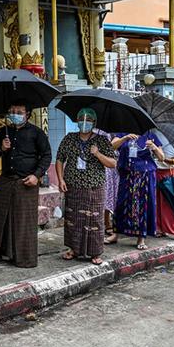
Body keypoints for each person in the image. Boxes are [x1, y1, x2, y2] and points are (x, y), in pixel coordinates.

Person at [0, 101, 52, 268]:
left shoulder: (37, 133)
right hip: (6, 180)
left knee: (24, 221)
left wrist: (36, 176)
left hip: (26, 182)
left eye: (19, 111)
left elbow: (46, 156)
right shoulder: (4, 131)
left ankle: (24, 257)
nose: (15, 114)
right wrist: (2, 147)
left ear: (27, 114)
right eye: (12, 110)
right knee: (1, 217)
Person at [55, 108, 117, 265]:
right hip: (73, 185)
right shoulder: (70, 139)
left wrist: (97, 154)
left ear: (94, 123)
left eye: (88, 120)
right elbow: (60, 159)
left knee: (94, 220)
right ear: (76, 121)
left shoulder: (102, 141)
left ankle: (95, 252)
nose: (84, 122)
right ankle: (73, 249)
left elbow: (112, 163)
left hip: (94, 187)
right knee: (73, 218)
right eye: (81, 118)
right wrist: (61, 179)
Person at [105, 131, 164, 250]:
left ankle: (141, 237)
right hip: (127, 174)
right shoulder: (123, 133)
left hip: (145, 175)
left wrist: (154, 147)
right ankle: (115, 234)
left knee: (143, 206)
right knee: (121, 204)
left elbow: (162, 158)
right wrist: (125, 138)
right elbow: (111, 146)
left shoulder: (150, 135)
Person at [153, 131, 174, 244]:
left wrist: (164, 159)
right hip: (155, 173)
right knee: (158, 204)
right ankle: (160, 229)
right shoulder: (152, 135)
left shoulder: (172, 138)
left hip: (169, 174)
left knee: (172, 203)